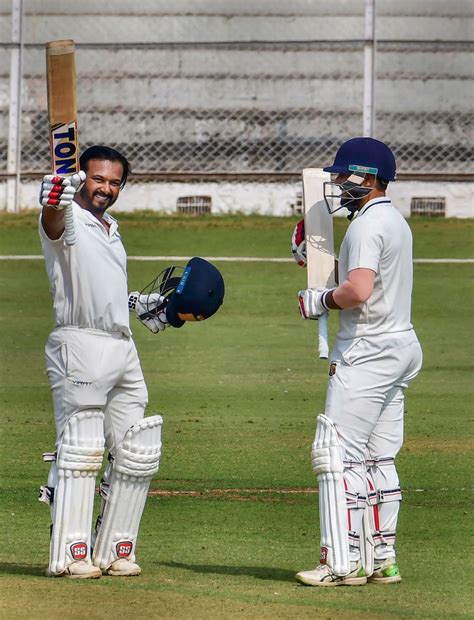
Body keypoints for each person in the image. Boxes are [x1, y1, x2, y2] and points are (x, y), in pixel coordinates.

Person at [292, 137, 422, 586]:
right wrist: (321, 266)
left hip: (368, 350)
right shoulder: (393, 220)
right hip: (399, 345)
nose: (335, 183)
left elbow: (359, 291)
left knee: (338, 455)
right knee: (378, 457)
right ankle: (381, 558)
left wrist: (320, 298)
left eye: (342, 175)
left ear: (366, 178)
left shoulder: (367, 226)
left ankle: (340, 564)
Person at [38, 146, 167, 579]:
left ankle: (115, 549)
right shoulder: (67, 219)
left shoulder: (111, 227)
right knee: (81, 449)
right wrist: (53, 201)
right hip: (80, 344)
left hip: (122, 345)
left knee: (136, 448)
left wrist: (138, 303)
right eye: (98, 180)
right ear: (81, 178)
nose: (106, 189)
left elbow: (103, 286)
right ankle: (71, 553)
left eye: (114, 183)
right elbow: (53, 223)